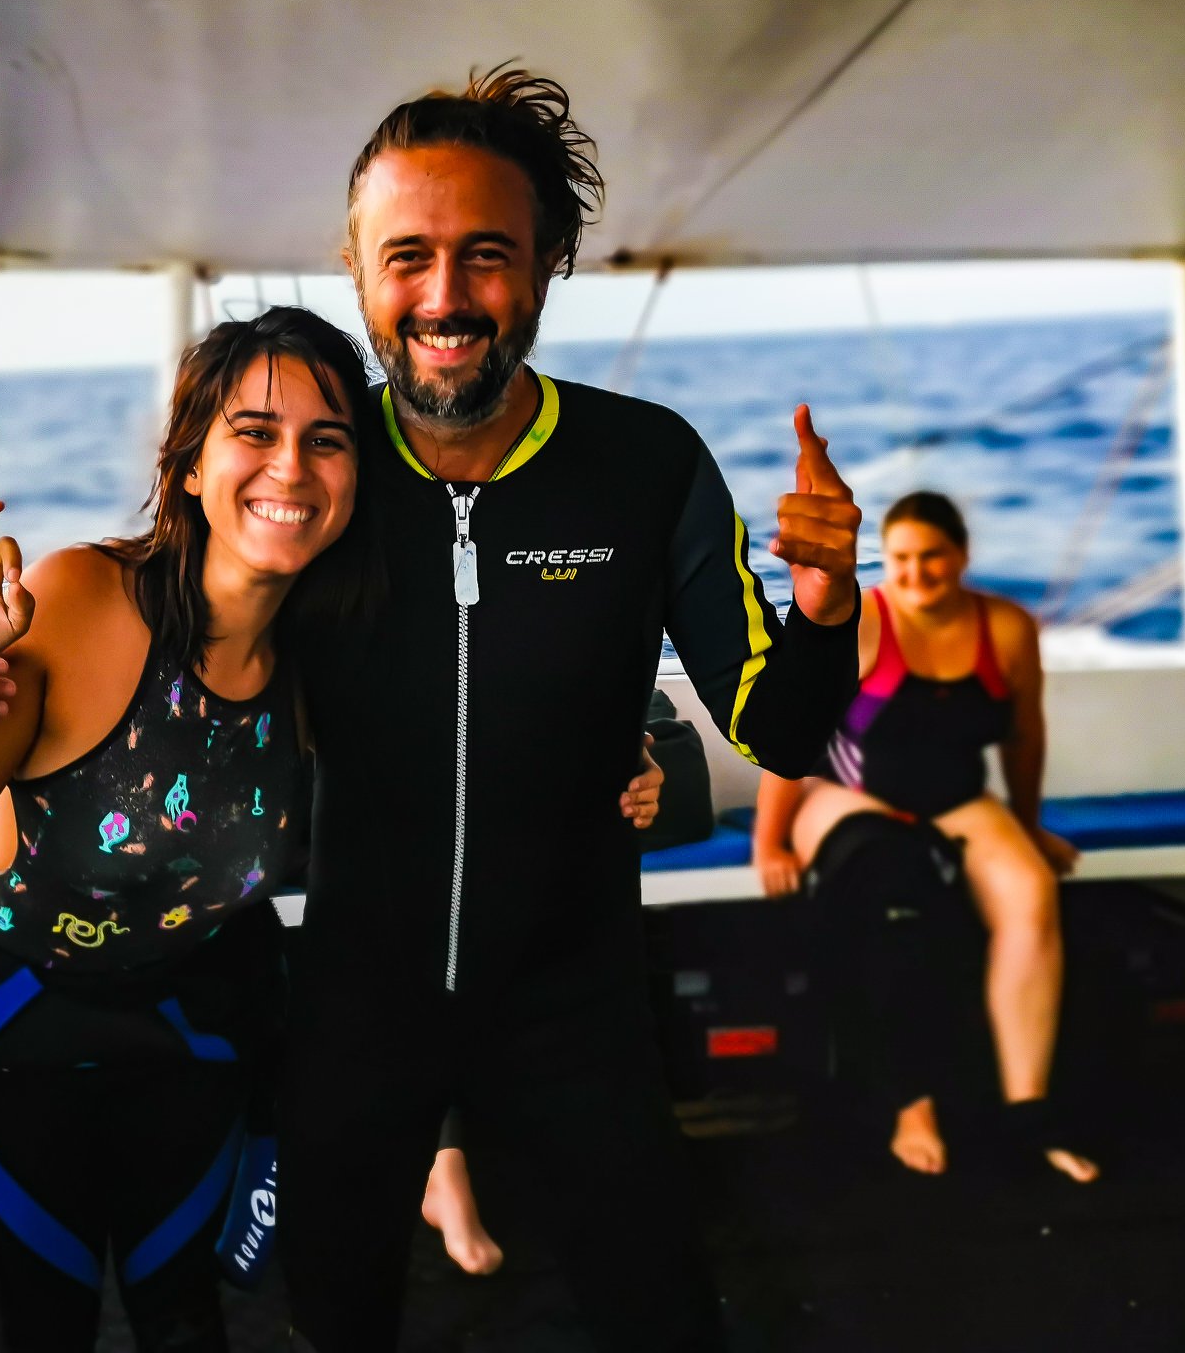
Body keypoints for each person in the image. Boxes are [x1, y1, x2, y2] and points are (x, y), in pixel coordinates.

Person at [0, 305, 665, 1351]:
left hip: (194, 1025)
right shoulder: (82, 601)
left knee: (188, 1318)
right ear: (190, 464)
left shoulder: (335, 660)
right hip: (18, 1028)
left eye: (327, 440)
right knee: (45, 1323)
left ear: (357, 480)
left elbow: (477, 761)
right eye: (254, 431)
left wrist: (624, 757)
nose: (291, 466)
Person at [273, 66, 860, 1352]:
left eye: (486, 255)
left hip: (575, 1004)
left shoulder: (644, 466)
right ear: (355, 268)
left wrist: (823, 606)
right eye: (406, 256)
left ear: (547, 264)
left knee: (657, 1315)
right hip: (355, 1002)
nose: (444, 296)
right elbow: (186, 655)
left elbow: (777, 727)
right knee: (334, 1317)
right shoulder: (308, 472)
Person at [751, 490, 1099, 1184]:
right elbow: (793, 735)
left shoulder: (1006, 628)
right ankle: (913, 1104)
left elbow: (1024, 737)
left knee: (1031, 895)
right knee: (898, 894)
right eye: (902, 558)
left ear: (961, 555)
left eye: (933, 556)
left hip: (957, 800)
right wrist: (770, 843)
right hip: (848, 796)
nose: (917, 572)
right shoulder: (863, 621)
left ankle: (1028, 1111)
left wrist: (1030, 827)